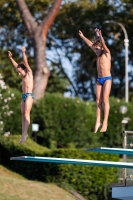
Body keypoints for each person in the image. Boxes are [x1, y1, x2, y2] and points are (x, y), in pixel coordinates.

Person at [79, 28, 112, 133]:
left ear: (101, 47)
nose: (96, 51)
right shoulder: (97, 53)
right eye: (95, 49)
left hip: (107, 79)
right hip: (99, 79)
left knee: (105, 100)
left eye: (97, 49)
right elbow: (90, 44)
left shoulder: (106, 53)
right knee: (98, 101)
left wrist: (100, 36)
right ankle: (98, 121)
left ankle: (105, 122)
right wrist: (82, 36)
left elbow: (103, 44)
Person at [8, 46, 34, 143]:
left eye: (20, 71)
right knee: (23, 115)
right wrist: (11, 58)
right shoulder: (23, 75)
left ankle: (24, 134)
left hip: (29, 95)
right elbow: (16, 66)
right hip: (23, 96)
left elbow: (25, 63)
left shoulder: (29, 73)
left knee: (26, 112)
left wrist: (23, 52)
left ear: (24, 69)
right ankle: (23, 133)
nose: (19, 74)